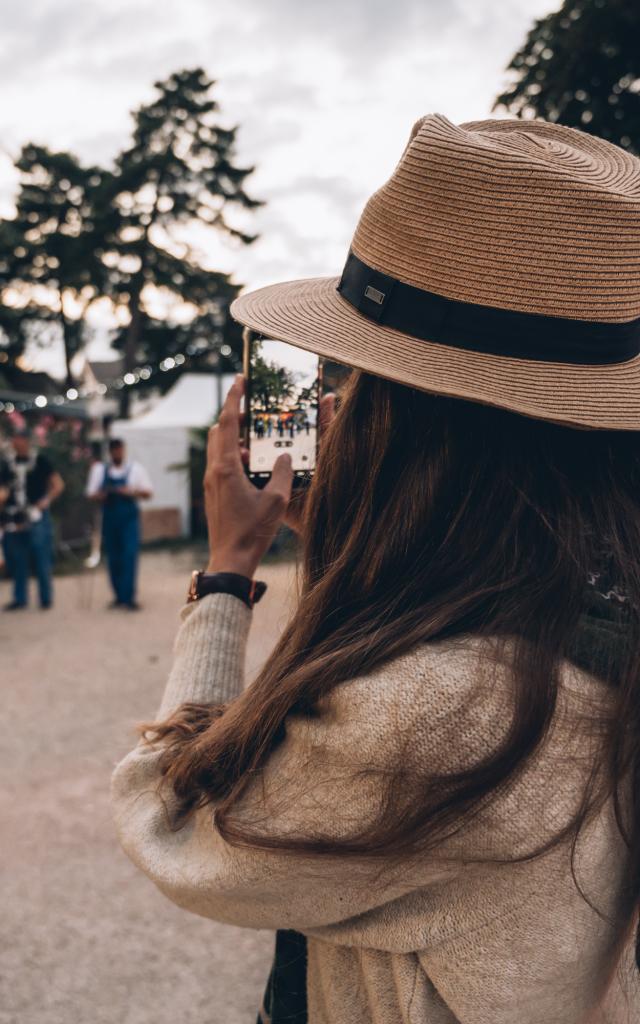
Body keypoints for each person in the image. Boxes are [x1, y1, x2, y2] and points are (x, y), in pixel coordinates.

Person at [111, 115, 640, 1023]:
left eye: (360, 379)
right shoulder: (580, 614)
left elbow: (178, 821)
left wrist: (229, 572)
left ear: (419, 423)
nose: (338, 403)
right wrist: (357, 546)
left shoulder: (443, 711)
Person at [0, 428, 64, 610]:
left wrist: (46, 500)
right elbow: (4, 490)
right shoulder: (8, 464)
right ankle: (20, 598)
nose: (16, 442)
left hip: (36, 515)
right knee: (17, 558)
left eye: (19, 439)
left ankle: (45, 598)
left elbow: (57, 484)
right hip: (14, 516)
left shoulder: (40, 461)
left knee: (41, 557)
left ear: (26, 441)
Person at [86, 439, 152, 610]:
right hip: (110, 519)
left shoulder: (135, 469)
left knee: (129, 556)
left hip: (129, 519)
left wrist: (130, 492)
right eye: (114, 450)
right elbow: (91, 494)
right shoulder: (100, 470)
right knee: (113, 558)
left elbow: (148, 492)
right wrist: (102, 495)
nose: (117, 453)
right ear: (110, 451)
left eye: (120, 449)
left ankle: (128, 597)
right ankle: (118, 596)